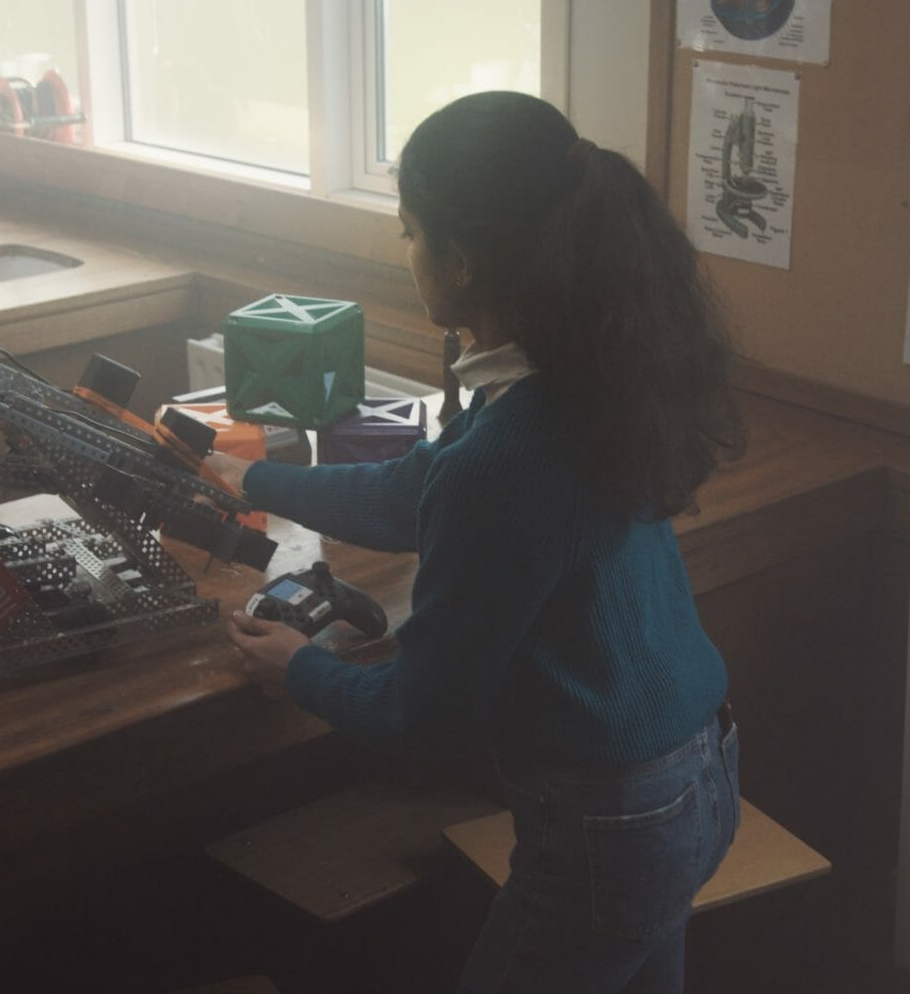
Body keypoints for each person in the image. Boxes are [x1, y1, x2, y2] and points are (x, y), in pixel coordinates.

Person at [213, 91, 747, 992]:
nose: (406, 251)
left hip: (607, 829)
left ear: (457, 264)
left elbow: (427, 713)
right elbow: (417, 490)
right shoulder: (583, 372)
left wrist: (297, 669)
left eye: (411, 232)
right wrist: (255, 481)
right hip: (700, 776)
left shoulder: (508, 452)